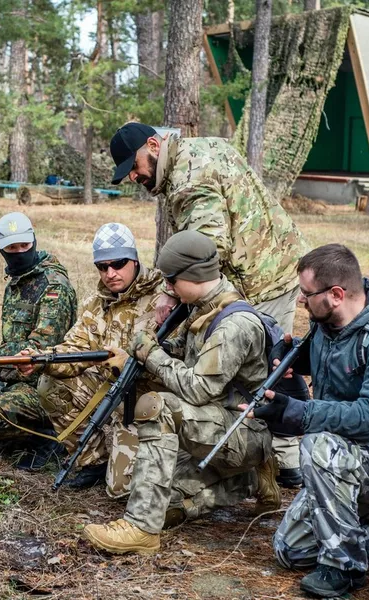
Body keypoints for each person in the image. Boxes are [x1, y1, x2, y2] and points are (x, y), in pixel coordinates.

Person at [109, 122, 312, 488]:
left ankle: (277, 458)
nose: (134, 176)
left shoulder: (189, 180)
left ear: (153, 145)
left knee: (263, 371)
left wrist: (170, 291)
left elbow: (206, 247)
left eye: (135, 166)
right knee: (254, 365)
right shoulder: (201, 149)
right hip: (271, 263)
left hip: (260, 280)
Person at [82, 230, 278, 555]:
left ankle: (141, 528)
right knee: (164, 503)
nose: (168, 289)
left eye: (171, 281)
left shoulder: (233, 324)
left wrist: (152, 356)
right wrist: (155, 347)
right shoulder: (202, 306)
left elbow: (199, 388)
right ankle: (247, 481)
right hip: (213, 427)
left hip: (239, 431)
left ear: (192, 275)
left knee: (159, 407)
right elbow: (185, 353)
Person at [247, 244, 369, 598]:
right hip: (348, 453)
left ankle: (344, 568)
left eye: (306, 293)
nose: (300, 301)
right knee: (291, 550)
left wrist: (297, 411)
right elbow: (337, 362)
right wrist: (291, 356)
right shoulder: (328, 325)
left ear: (336, 295)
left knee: (318, 445)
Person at [16, 223, 169, 496]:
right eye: (102, 266)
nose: (110, 273)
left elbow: (176, 361)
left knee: (121, 491)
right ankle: (92, 462)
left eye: (119, 264)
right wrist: (41, 359)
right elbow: (74, 349)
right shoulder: (96, 302)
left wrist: (134, 363)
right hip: (106, 391)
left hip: (149, 399)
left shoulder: (163, 299)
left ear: (135, 259)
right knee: (50, 383)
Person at [0, 212, 78, 467]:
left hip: (48, 387)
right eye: (12, 248)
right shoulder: (17, 282)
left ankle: (53, 436)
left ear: (34, 240)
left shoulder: (54, 285)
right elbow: (12, 343)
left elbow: (39, 349)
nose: (20, 252)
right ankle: (28, 437)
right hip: (16, 383)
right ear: (2, 249)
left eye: (25, 245)